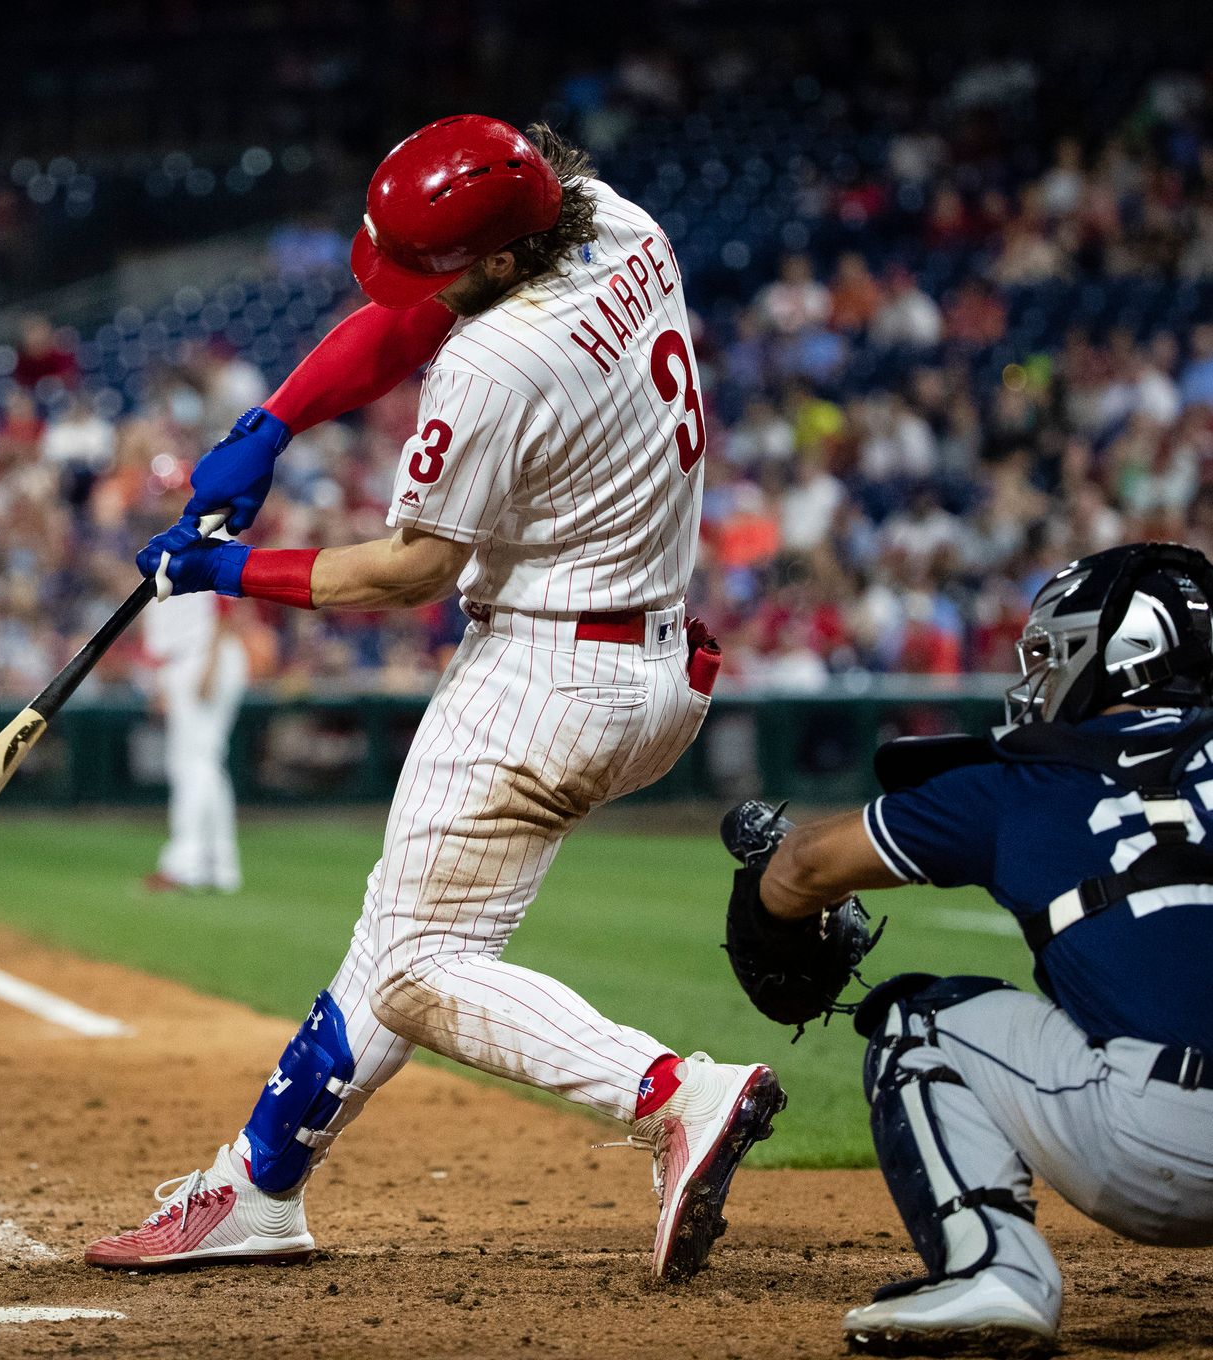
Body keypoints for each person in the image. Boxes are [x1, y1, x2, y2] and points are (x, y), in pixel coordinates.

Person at [86, 116, 780, 1280]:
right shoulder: (613, 220)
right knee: (399, 939)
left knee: (413, 970)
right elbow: (413, 311)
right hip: (643, 661)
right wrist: (274, 421)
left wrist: (224, 572)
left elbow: (409, 570)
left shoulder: (499, 359)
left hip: (544, 678)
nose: (415, 287)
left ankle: (675, 1090)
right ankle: (256, 1188)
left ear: (503, 258)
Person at [731, 542, 1213, 1350]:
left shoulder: (1027, 781)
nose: (1038, 677)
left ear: (1116, 656)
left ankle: (999, 1272)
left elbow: (801, 867)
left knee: (918, 1022)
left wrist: (766, 916)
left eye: (1053, 653)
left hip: (1151, 1149)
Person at [141, 591, 249, 893]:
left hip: (203, 655)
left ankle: (185, 864)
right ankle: (220, 866)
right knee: (204, 762)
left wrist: (211, 664)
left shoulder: (204, 542)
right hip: (185, 658)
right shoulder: (164, 548)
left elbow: (223, 601)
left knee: (194, 763)